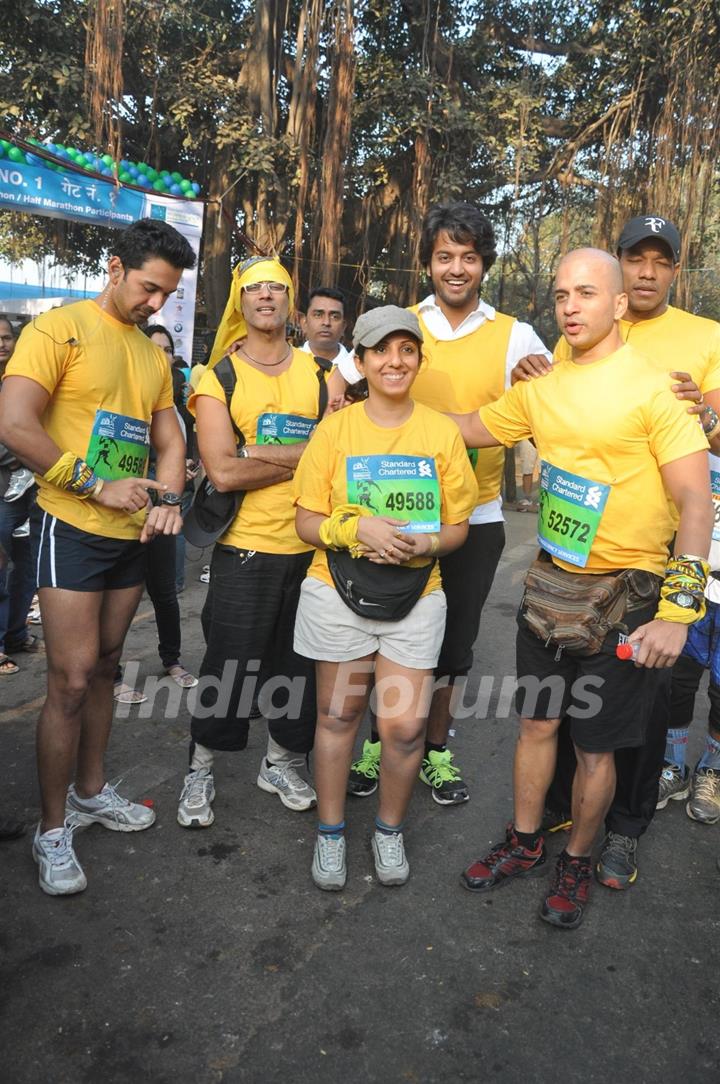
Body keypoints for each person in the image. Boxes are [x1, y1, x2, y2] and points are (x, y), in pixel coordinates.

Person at [451, 248, 711, 929]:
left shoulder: (654, 389)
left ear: (620, 304)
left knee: (596, 747)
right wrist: (373, 400)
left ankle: (576, 858)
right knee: (537, 725)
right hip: (549, 589)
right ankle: (526, 839)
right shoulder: (542, 387)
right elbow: (467, 432)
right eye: (561, 292)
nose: (569, 305)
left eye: (587, 293)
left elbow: (695, 501)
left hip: (627, 597)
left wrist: (679, 613)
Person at [515, 215, 720, 885]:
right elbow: (548, 414)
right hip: (562, 575)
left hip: (643, 571)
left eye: (661, 260)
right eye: (637, 256)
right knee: (568, 730)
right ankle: (555, 829)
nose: (647, 269)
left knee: (636, 720)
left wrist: (679, 606)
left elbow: (699, 488)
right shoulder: (579, 330)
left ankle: (620, 834)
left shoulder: (702, 339)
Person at [0, 217, 196, 895]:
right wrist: (93, 485)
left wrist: (167, 495)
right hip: (71, 526)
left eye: (166, 295)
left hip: (130, 536)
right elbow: (15, 422)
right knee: (71, 679)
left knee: (110, 667)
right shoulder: (58, 330)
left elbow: (168, 437)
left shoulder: (151, 356)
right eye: (148, 288)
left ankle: (90, 791)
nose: (154, 304)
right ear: (115, 267)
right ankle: (51, 830)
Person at [347, 201, 551, 806]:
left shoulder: (516, 336)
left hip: (475, 518)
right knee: (377, 634)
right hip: (386, 515)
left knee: (452, 646)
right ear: (428, 264)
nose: (456, 268)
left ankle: (434, 749)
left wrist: (540, 393)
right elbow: (338, 384)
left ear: (484, 263)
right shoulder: (397, 325)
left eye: (468, 256)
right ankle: (378, 746)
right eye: (444, 257)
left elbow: (550, 424)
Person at [293, 305, 478, 889]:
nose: (394, 361)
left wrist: (426, 541)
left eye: (406, 350)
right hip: (336, 592)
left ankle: (389, 831)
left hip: (417, 595)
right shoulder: (335, 430)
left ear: (419, 360)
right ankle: (330, 834)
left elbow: (457, 527)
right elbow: (306, 521)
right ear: (363, 360)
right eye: (381, 350)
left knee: (401, 729)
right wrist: (356, 530)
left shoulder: (440, 432)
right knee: (339, 714)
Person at [176, 256, 327, 829]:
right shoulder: (218, 378)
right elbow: (221, 472)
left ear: (291, 302)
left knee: (298, 668)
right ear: (241, 302)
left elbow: (335, 454)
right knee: (229, 667)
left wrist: (253, 452)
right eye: (255, 289)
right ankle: (201, 767)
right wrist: (302, 460)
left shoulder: (318, 373)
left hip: (311, 549)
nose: (266, 297)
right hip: (245, 549)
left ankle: (281, 761)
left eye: (277, 288)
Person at [113, 323, 198, 700]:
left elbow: (179, 451)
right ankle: (111, 673)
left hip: (164, 506)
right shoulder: (120, 396)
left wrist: (184, 473)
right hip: (122, 507)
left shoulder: (176, 405)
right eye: (155, 347)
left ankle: (172, 660)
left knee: (165, 589)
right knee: (117, 594)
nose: (162, 355)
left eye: (167, 349)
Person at [0, 316, 38, 675]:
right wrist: (26, 452)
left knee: (27, 568)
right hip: (2, 492)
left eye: (7, 337)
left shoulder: (24, 379)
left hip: (33, 490)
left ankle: (16, 633)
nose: (2, 344)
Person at [299, 286, 357, 391]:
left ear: (344, 326)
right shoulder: (287, 364)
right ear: (304, 323)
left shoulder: (355, 370)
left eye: (334, 317)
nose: (326, 322)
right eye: (318, 315)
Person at [516, 440, 538, 511]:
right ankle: (527, 498)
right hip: (528, 435)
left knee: (545, 469)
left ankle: (543, 499)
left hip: (546, 435)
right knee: (526, 467)